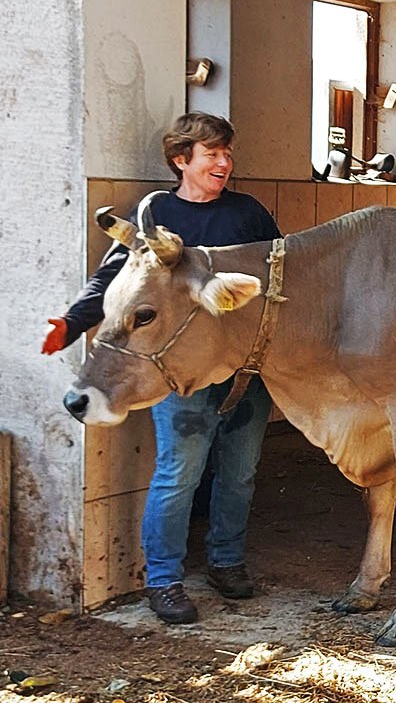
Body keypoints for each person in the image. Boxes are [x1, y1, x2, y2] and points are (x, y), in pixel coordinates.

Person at [42, 112, 281, 624]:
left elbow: (282, 280)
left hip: (246, 370)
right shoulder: (156, 213)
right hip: (179, 372)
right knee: (179, 473)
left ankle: (226, 562)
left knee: (240, 472)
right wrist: (72, 322)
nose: (224, 162)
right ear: (180, 160)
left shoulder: (249, 213)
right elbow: (114, 278)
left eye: (227, 153)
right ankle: (164, 579)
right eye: (212, 154)